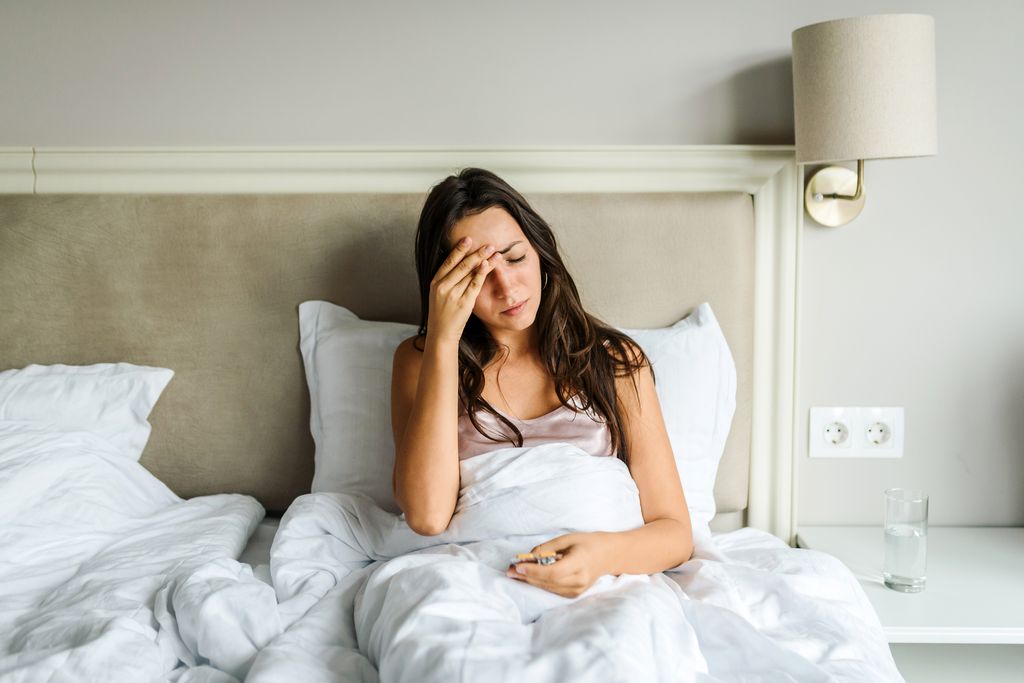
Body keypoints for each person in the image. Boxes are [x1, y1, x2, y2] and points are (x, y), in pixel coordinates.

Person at [390, 168, 693, 598]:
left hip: (602, 583)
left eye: (515, 258)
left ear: (540, 251)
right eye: (478, 276)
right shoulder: (420, 361)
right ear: (446, 284)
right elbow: (426, 516)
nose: (507, 287)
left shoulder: (615, 363)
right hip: (472, 582)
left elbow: (676, 534)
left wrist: (600, 556)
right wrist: (442, 338)